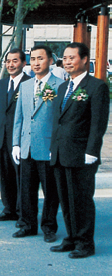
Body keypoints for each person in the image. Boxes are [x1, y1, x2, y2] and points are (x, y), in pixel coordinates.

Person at [49, 42, 109, 259]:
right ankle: (71, 238)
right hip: (60, 152)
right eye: (64, 58)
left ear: (84, 60)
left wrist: (92, 151)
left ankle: (85, 243)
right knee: (65, 199)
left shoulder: (96, 86)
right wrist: (52, 148)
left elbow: (98, 123)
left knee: (81, 200)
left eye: (72, 57)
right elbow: (59, 121)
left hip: (82, 154)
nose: (67, 61)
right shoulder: (64, 87)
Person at [11, 45, 62, 242]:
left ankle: (49, 227)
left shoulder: (59, 85)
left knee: (50, 191)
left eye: (40, 58)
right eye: (33, 59)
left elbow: (60, 120)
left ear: (50, 60)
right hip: (26, 146)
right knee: (26, 189)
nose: (36, 63)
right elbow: (20, 117)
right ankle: (27, 225)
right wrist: (16, 143)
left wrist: (55, 146)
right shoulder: (25, 85)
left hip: (47, 147)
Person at [0, 49, 31, 222]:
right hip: (2, 137)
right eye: (8, 61)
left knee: (22, 177)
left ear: (23, 63)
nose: (10, 64)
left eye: (15, 61)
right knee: (5, 175)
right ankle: (9, 209)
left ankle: (23, 213)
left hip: (20, 139)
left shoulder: (29, 83)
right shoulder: (1, 84)